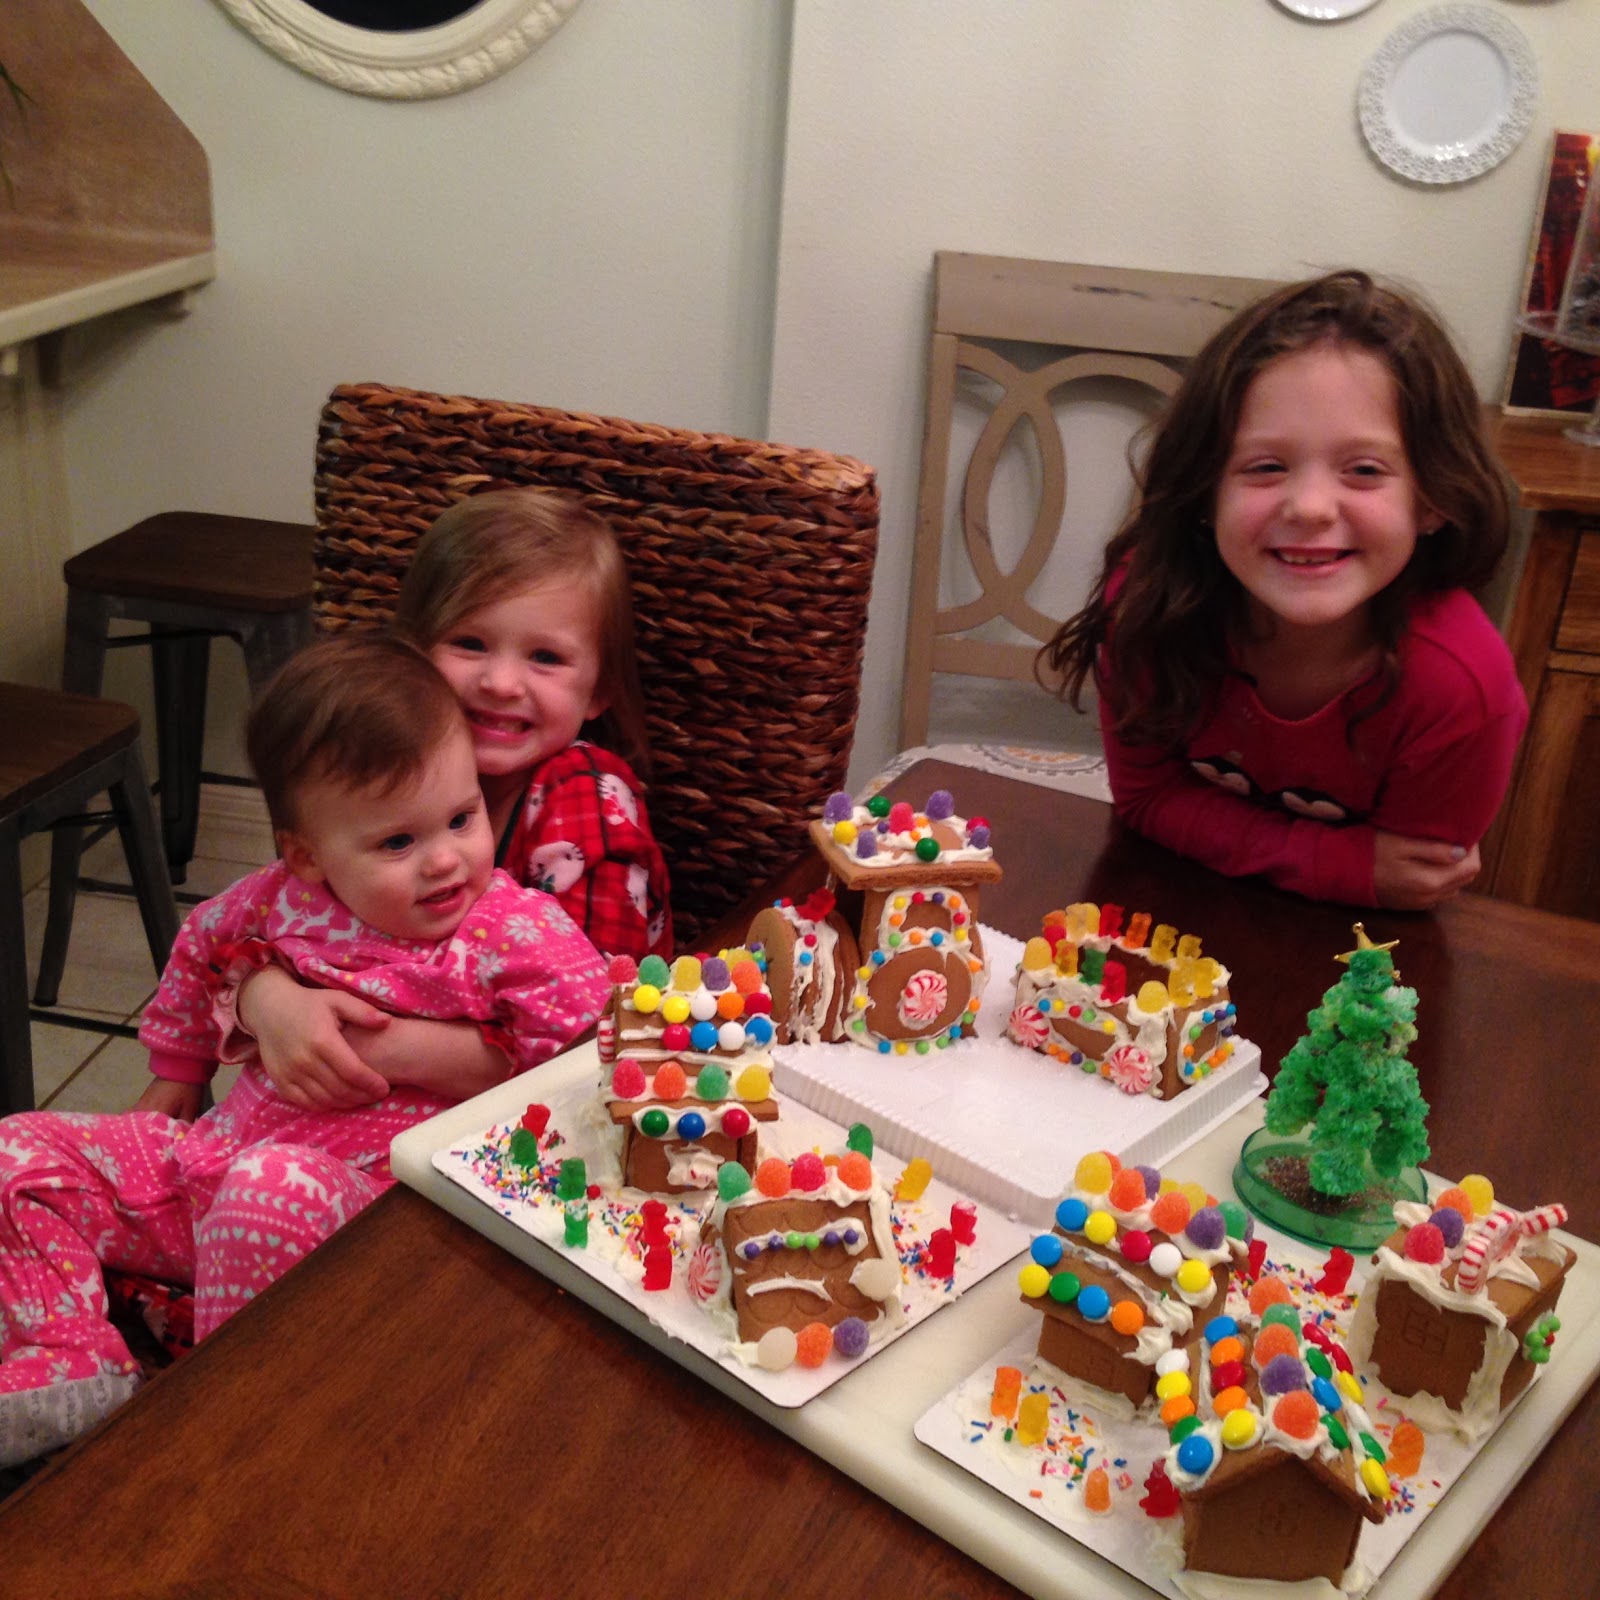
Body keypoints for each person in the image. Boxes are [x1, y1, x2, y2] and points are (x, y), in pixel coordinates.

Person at [0, 636, 608, 1465]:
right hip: (205, 1177)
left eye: (462, 819)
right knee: (16, 1151)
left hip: (371, 1220)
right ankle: (73, 1362)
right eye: (397, 843)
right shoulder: (272, 903)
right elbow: (201, 946)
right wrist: (178, 1069)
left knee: (265, 1187)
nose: (445, 860)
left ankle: (211, 1430)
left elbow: (589, 1048)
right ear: (306, 856)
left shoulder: (510, 930)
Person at [1041, 270, 1527, 911]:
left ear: (1435, 498)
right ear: (1204, 492)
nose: (1310, 507)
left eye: (1364, 469)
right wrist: (1345, 862)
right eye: (1266, 466)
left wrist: (1356, 870)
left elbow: (1414, 882)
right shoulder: (1148, 604)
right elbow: (1148, 798)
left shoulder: (1462, 689)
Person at [236, 487, 673, 1094]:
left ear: (600, 690)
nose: (500, 682)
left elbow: (595, 1044)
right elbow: (278, 915)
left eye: (546, 657)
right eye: (469, 643)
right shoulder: (388, 766)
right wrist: (266, 999)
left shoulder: (586, 803)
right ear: (411, 654)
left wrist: (358, 1043)